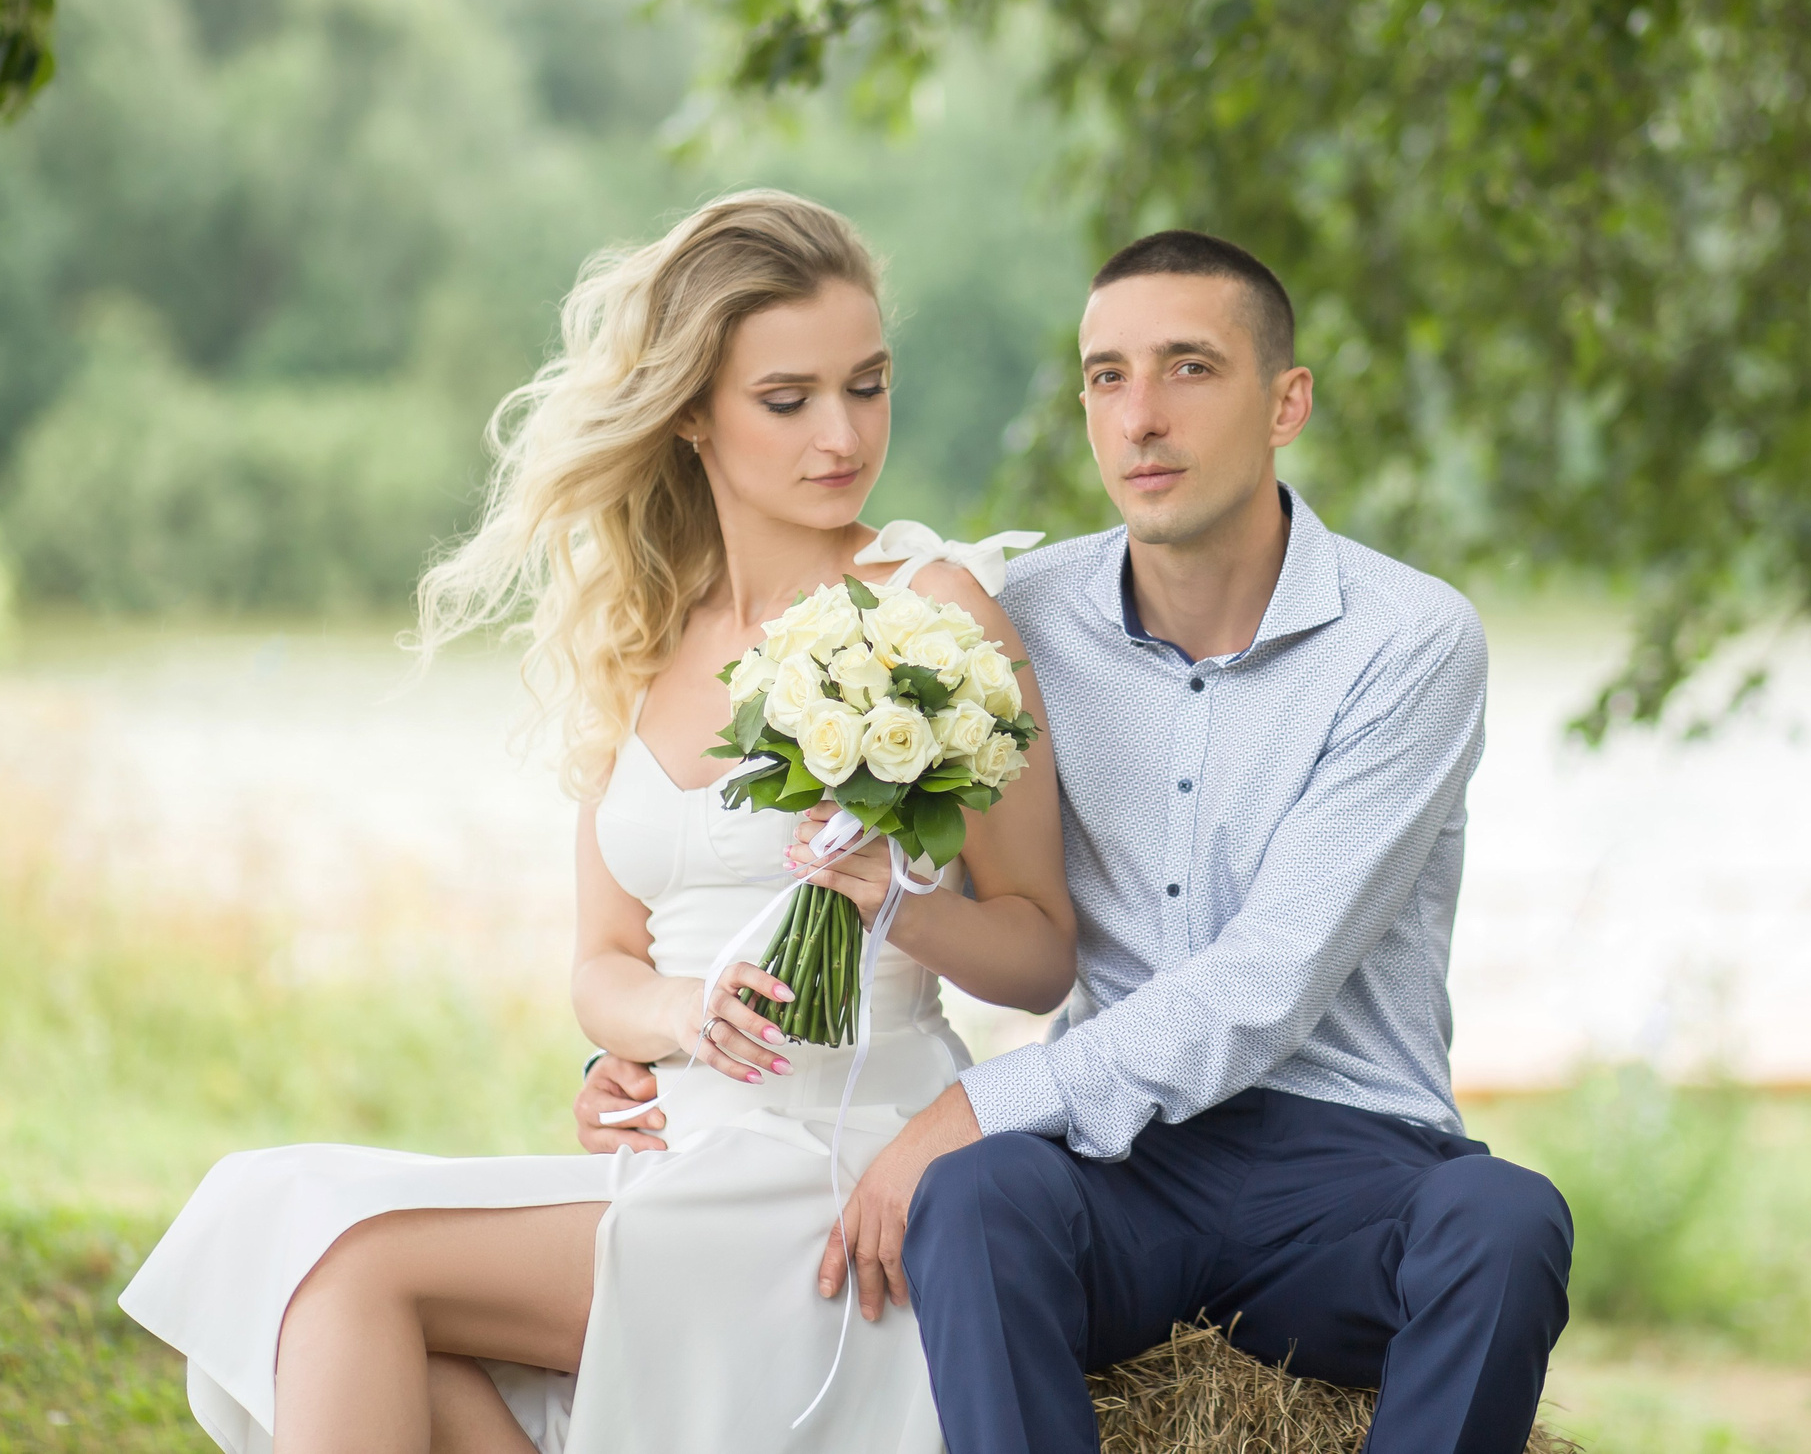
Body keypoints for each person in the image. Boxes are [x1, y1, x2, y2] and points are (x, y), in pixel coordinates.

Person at [116, 191, 1075, 1454]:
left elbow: (1043, 948)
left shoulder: (935, 608)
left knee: (346, 1270)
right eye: (787, 400)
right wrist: (675, 1024)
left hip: (837, 1170)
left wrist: (898, 907)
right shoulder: (643, 637)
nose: (842, 435)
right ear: (691, 416)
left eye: (868, 384)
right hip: (681, 1155)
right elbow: (603, 965)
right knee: (289, 1228)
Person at [821, 230, 1574, 1454]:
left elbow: (1264, 983)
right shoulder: (1018, 622)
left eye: (1188, 369)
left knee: (1504, 1221)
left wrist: (976, 1099)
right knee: (976, 1198)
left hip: (1348, 1166)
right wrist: (657, 1045)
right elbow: (857, 859)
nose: (1141, 418)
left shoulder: (1411, 642)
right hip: (1122, 1182)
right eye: (1106, 376)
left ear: (1286, 404)